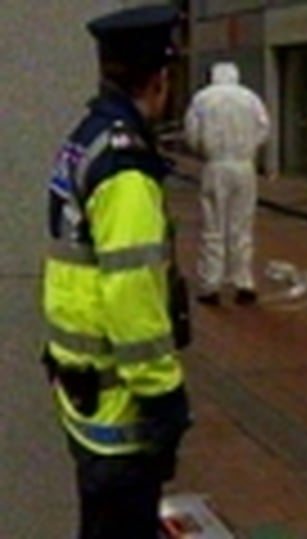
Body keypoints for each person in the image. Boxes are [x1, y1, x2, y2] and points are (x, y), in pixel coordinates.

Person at [41, 5, 192, 538]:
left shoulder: (84, 139)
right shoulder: (126, 169)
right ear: (160, 78)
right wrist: (163, 394)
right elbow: (131, 292)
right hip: (119, 410)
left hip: (82, 387)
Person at [184, 61, 271, 306]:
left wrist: (205, 150)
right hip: (244, 166)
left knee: (213, 226)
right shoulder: (250, 98)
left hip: (216, 165)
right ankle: (243, 281)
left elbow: (192, 134)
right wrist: (250, 146)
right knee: (242, 225)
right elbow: (264, 129)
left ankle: (211, 284)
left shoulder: (202, 99)